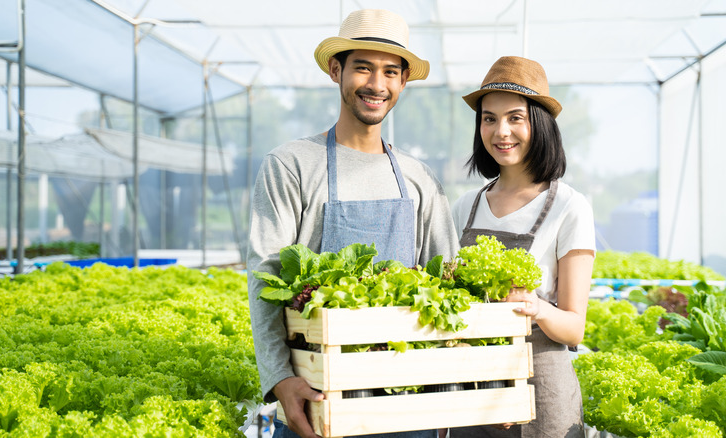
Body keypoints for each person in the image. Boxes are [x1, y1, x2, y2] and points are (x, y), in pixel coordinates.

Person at [246, 9, 459, 438]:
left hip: (408, 401)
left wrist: (452, 388)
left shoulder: (420, 179)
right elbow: (264, 276)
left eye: (390, 72)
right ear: (335, 70)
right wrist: (279, 378)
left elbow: (450, 283)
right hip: (317, 399)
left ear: (402, 82)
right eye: (363, 68)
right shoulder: (291, 165)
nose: (376, 84)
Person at [449, 56, 595, 438]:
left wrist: (535, 307)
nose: (501, 131)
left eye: (516, 117)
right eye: (489, 118)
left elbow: (574, 328)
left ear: (540, 124)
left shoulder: (569, 207)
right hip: (474, 391)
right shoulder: (466, 206)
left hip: (541, 394)